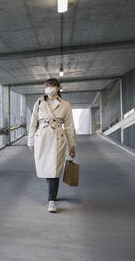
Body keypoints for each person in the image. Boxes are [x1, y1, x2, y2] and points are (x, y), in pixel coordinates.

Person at [27, 78, 77, 213]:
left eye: (52, 86)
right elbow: (33, 124)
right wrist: (31, 141)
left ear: (58, 88)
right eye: (47, 86)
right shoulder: (39, 102)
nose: (50, 88)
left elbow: (69, 126)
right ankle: (53, 194)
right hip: (42, 138)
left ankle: (51, 201)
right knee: (46, 169)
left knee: (55, 169)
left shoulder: (65, 105)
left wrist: (71, 145)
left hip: (57, 138)